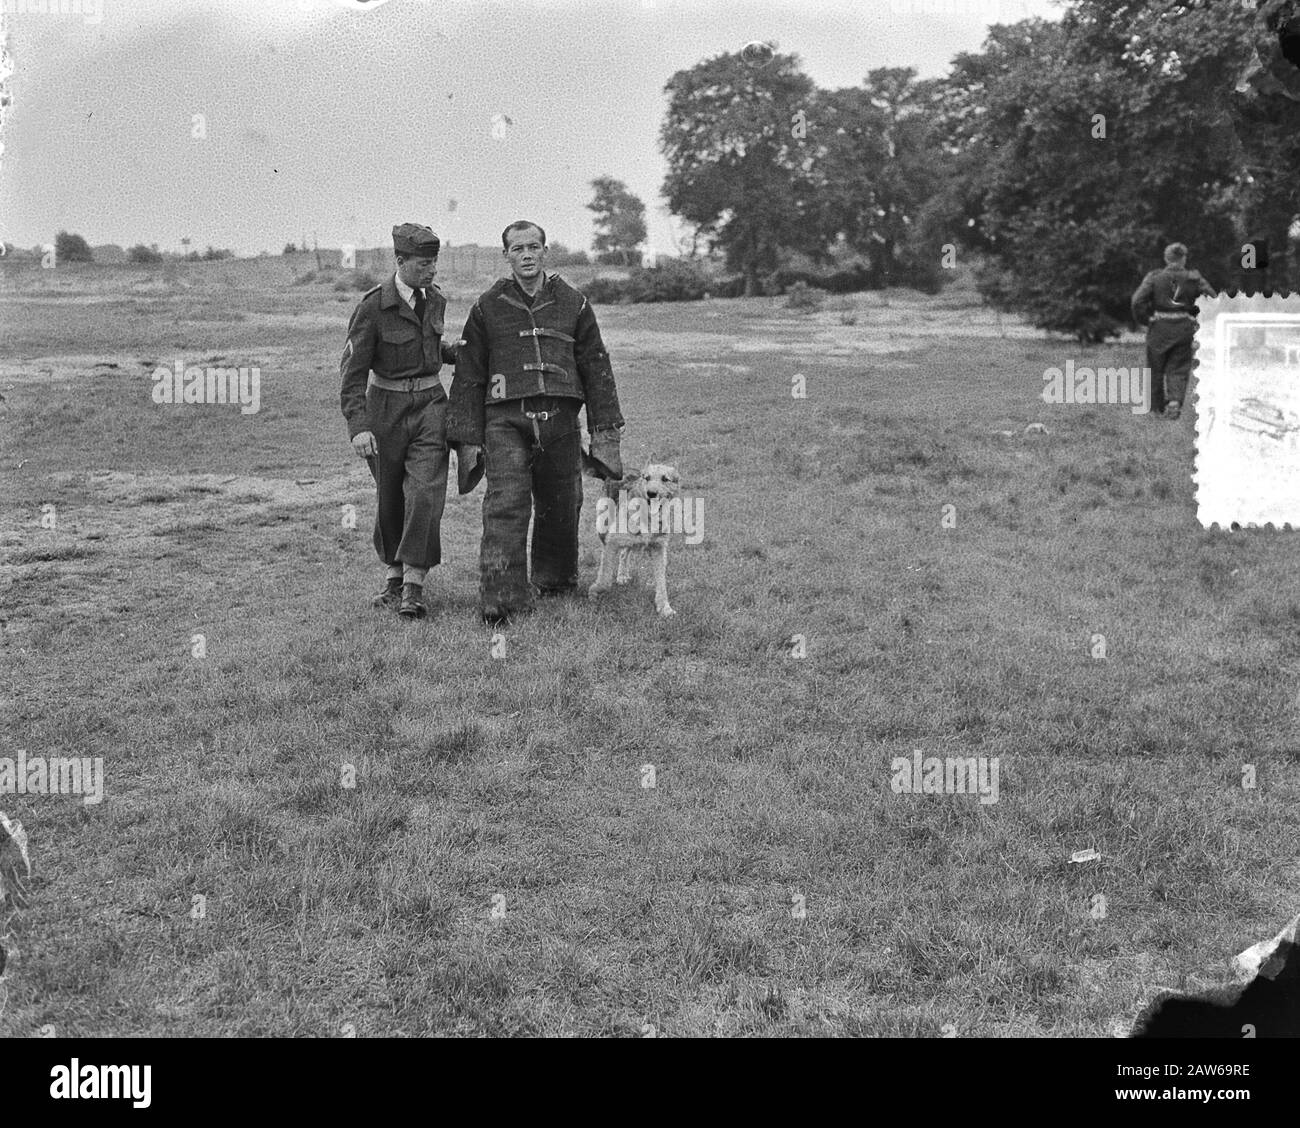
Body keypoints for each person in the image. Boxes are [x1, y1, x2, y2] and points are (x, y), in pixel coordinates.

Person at [447, 220, 625, 625]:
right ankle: (501, 597)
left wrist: (605, 432)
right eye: (517, 249)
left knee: (562, 500)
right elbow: (469, 374)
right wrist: (466, 438)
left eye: (533, 247)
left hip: (562, 418)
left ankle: (556, 581)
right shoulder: (487, 306)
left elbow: (596, 365)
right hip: (504, 420)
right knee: (505, 504)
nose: (526, 255)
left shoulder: (574, 302)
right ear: (506, 255)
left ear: (545, 251)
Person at [340, 223, 459, 619]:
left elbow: (427, 346)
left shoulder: (436, 300)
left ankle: (414, 585)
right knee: (390, 495)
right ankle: (393, 577)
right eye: (424, 263)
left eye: (434, 262)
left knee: (425, 492)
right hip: (385, 410)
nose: (432, 270)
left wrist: (449, 352)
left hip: (430, 406)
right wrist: (358, 427)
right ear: (400, 261)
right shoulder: (373, 306)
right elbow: (352, 372)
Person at [1131, 242, 1217, 420]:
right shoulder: (1193, 278)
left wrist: (1146, 320)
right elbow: (1213, 299)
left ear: (1166, 258)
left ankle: (1155, 409)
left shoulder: (1154, 277)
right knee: (1178, 368)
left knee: (1154, 369)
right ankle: (1174, 402)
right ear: (1184, 258)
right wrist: (1196, 318)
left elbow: (1137, 301)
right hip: (1183, 328)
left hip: (1159, 327)